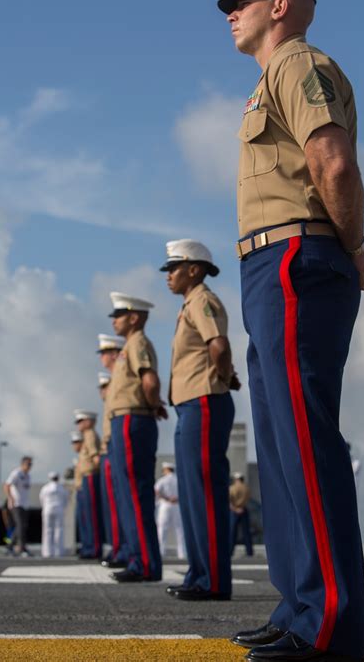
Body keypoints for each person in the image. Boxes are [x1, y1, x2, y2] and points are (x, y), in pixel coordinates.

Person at [217, 0, 364, 659]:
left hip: (295, 257)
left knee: (304, 442)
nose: (230, 10)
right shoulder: (271, 79)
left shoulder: (297, 65)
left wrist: (349, 247)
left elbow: (333, 163)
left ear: (280, 2)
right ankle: (299, 607)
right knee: (284, 447)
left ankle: (327, 625)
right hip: (274, 260)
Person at [160, 239, 240, 601]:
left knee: (204, 493)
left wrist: (222, 379)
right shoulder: (190, 305)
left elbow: (219, 347)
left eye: (173, 268)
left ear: (194, 269)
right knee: (193, 494)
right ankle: (199, 573)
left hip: (204, 402)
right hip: (190, 404)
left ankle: (213, 581)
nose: (168, 276)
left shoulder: (203, 300)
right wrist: (227, 376)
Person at [106, 293, 166, 583]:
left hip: (132, 418)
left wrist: (154, 405)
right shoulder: (129, 345)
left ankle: (144, 562)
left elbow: (150, 380)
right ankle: (138, 558)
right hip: (125, 420)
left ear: (133, 317)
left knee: (134, 493)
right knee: (128, 495)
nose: (114, 320)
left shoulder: (138, 342)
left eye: (118, 315)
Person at [96, 363, 129, 569]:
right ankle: (120, 548)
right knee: (116, 505)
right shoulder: (109, 403)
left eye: (105, 386)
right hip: (110, 446)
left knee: (122, 503)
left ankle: (124, 549)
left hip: (113, 447)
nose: (102, 391)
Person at [74, 410, 103, 559]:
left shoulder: (90, 434)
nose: (78, 424)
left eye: (80, 421)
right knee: (86, 516)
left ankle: (94, 548)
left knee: (92, 515)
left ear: (89, 421)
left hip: (91, 476)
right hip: (86, 478)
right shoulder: (86, 436)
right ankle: (89, 546)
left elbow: (95, 456)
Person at [155, 462, 186, 559]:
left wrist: (167, 498)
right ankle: (182, 553)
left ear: (166, 469)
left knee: (162, 529)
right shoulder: (179, 480)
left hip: (166, 505)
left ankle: (160, 552)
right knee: (180, 530)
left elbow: (156, 491)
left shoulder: (163, 480)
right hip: (177, 505)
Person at [4, 456, 34, 557]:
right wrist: (10, 498)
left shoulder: (28, 476)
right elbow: (7, 485)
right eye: (28, 464)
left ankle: (10, 546)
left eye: (31, 464)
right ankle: (21, 548)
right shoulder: (16, 473)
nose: (30, 466)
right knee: (20, 526)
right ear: (23, 464)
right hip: (16, 504)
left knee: (22, 526)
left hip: (24, 504)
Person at [39, 472, 69, 558]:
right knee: (59, 530)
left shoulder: (45, 488)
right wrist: (62, 508)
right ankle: (58, 551)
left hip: (48, 509)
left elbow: (41, 499)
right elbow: (66, 500)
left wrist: (45, 507)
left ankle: (47, 552)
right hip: (59, 509)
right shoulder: (62, 488)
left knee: (47, 530)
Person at [229, 472, 253, 557]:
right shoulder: (246, 488)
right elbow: (248, 499)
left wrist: (235, 509)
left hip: (234, 511)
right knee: (246, 532)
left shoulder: (231, 488)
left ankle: (230, 551)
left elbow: (229, 501)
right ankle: (249, 551)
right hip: (243, 510)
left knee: (232, 533)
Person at [71, 431, 86, 554]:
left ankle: (89, 546)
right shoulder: (80, 457)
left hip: (84, 488)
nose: (74, 445)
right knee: (82, 520)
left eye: (76, 442)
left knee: (87, 519)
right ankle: (85, 545)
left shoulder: (84, 455)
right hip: (80, 490)